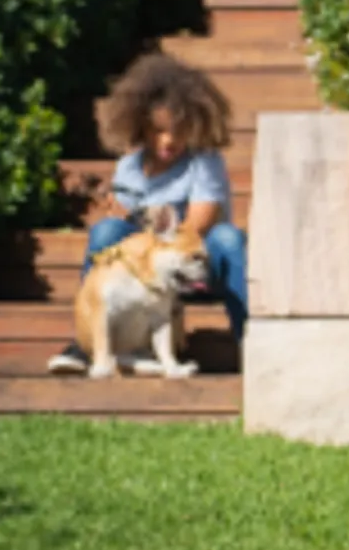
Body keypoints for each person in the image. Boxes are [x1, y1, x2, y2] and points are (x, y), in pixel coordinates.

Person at [47, 52, 249, 374]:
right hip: (149, 272)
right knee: (106, 232)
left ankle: (252, 343)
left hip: (197, 264)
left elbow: (199, 223)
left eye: (178, 130)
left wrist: (156, 235)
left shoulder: (204, 160)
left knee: (228, 238)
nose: (168, 140)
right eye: (158, 130)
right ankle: (87, 343)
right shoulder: (129, 167)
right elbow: (125, 225)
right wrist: (123, 221)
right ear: (140, 126)